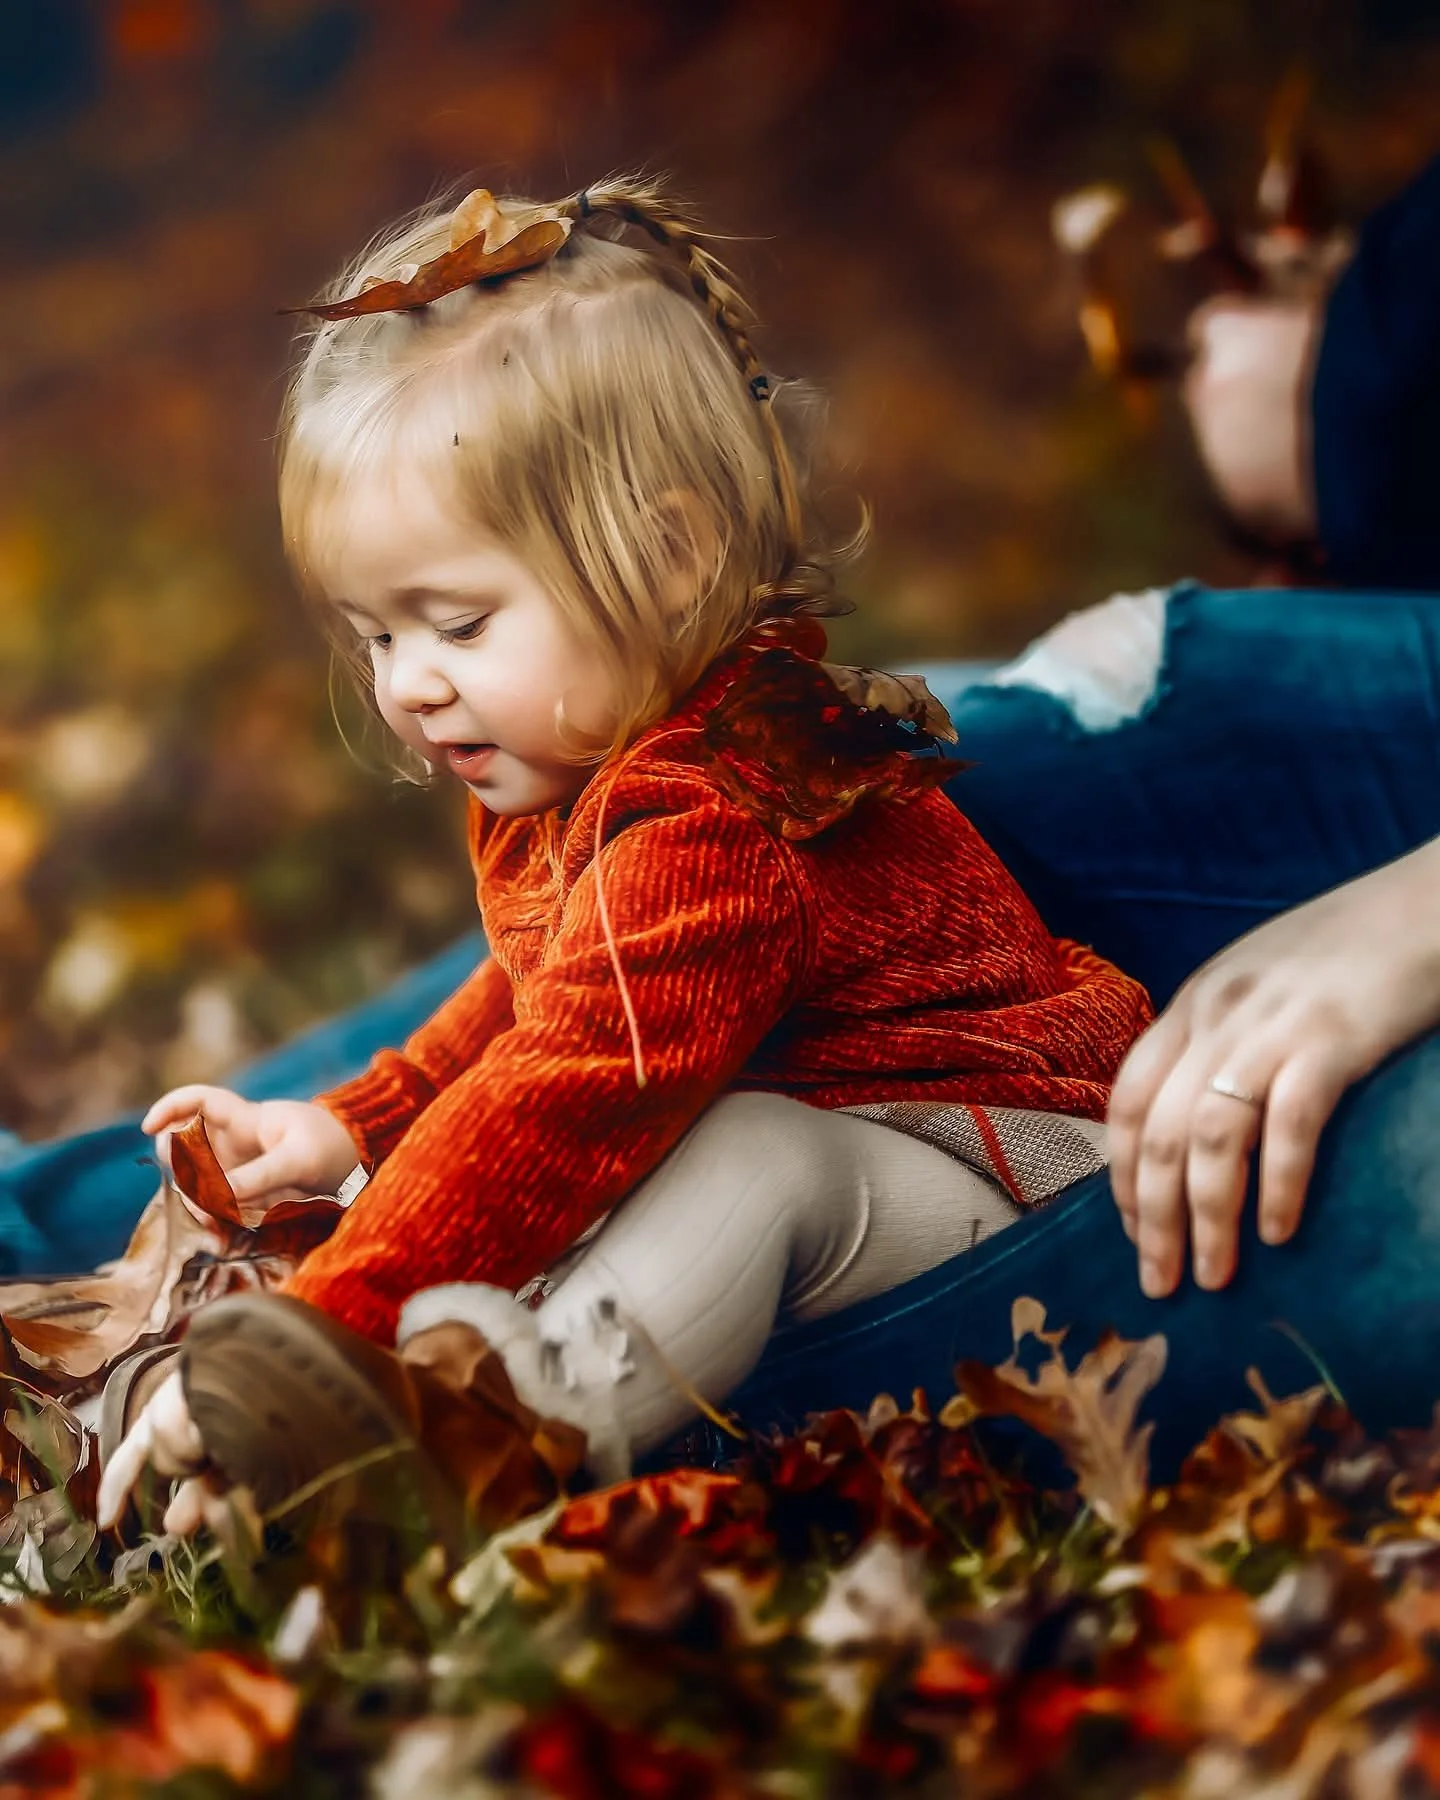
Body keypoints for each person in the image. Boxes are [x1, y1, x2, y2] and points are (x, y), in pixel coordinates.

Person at [93, 174, 1151, 1535]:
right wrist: (352, 1121)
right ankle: (402, 1393)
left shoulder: (719, 824)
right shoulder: (596, 776)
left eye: (458, 626)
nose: (410, 684)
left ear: (665, 558)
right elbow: (540, 997)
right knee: (639, 1170)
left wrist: (340, 1317)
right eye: (376, 635)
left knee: (749, 1160)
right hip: (893, 1181)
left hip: (1026, 1191)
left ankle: (489, 1442)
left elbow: (564, 1084)